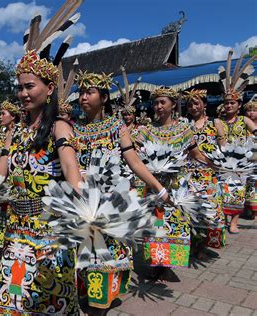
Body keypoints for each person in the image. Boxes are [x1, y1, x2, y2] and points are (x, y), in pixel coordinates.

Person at [0, 1, 83, 313]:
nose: (23, 93)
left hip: (50, 229)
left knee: (50, 299)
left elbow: (72, 172)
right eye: (20, 88)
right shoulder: (14, 131)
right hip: (16, 227)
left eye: (29, 86)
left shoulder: (59, 127)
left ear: (49, 87)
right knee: (14, 298)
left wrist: (86, 211)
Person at [72, 70, 169, 312]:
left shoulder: (117, 126)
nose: (83, 97)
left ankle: (100, 301)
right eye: (81, 92)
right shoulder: (72, 128)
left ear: (103, 98)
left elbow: (134, 162)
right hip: (82, 201)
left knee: (107, 253)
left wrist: (158, 187)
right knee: (83, 251)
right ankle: (88, 293)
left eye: (90, 92)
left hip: (111, 202)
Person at [136, 87, 209, 280]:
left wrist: (215, 163)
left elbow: (195, 154)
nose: (158, 106)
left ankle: (166, 264)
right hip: (154, 187)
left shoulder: (185, 129)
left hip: (177, 187)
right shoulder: (147, 131)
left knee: (174, 224)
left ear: (173, 104)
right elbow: (134, 156)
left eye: (163, 102)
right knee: (155, 224)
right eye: (156, 103)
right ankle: (155, 262)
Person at [214, 51, 257, 233]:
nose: (229, 106)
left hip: (241, 162)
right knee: (223, 191)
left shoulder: (244, 120)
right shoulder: (218, 122)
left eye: (232, 103)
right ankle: (224, 219)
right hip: (223, 161)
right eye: (227, 103)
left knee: (238, 193)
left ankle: (234, 222)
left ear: (239, 105)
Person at [184, 89, 225, 256]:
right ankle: (193, 244)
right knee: (191, 210)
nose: (193, 107)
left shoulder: (215, 123)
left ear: (204, 104)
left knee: (208, 210)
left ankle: (202, 246)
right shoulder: (185, 125)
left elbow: (223, 148)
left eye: (196, 103)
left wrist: (219, 162)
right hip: (189, 173)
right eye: (190, 104)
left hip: (208, 173)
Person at [0, 100, 21, 259]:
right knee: (0, 211)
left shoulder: (20, 132)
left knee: (11, 211)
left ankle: (11, 244)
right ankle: (1, 245)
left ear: (13, 116)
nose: (0, 116)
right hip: (0, 175)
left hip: (14, 178)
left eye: (3, 114)